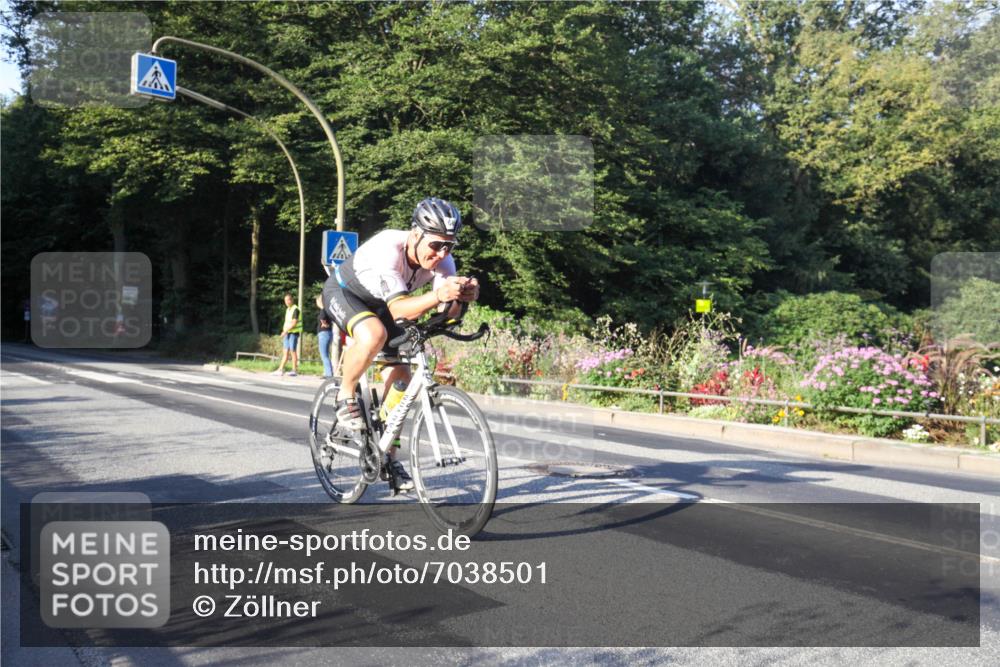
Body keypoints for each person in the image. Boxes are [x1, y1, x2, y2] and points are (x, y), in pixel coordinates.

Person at [322, 197, 480, 491]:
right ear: (416, 234)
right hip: (346, 293)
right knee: (373, 335)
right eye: (436, 244)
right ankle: (345, 394)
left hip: (387, 303)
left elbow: (446, 313)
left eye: (449, 246)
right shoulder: (388, 248)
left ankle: (388, 456)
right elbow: (399, 310)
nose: (442, 253)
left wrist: (462, 297)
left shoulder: (444, 261)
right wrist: (439, 295)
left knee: (402, 381)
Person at [273, 293, 302, 377]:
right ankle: (280, 369)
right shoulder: (288, 309)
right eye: (285, 300)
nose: (286, 302)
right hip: (287, 333)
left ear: (292, 300)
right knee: (285, 351)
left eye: (288, 300)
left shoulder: (295, 309)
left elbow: (294, 323)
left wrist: (285, 331)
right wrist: (285, 331)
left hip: (293, 333)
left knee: (293, 351)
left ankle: (294, 370)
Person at [316, 294, 335, 378]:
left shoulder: (323, 310)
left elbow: (322, 319)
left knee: (324, 355)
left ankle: (329, 374)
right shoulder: (328, 310)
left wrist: (324, 323)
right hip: (328, 333)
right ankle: (327, 372)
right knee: (326, 354)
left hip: (323, 333)